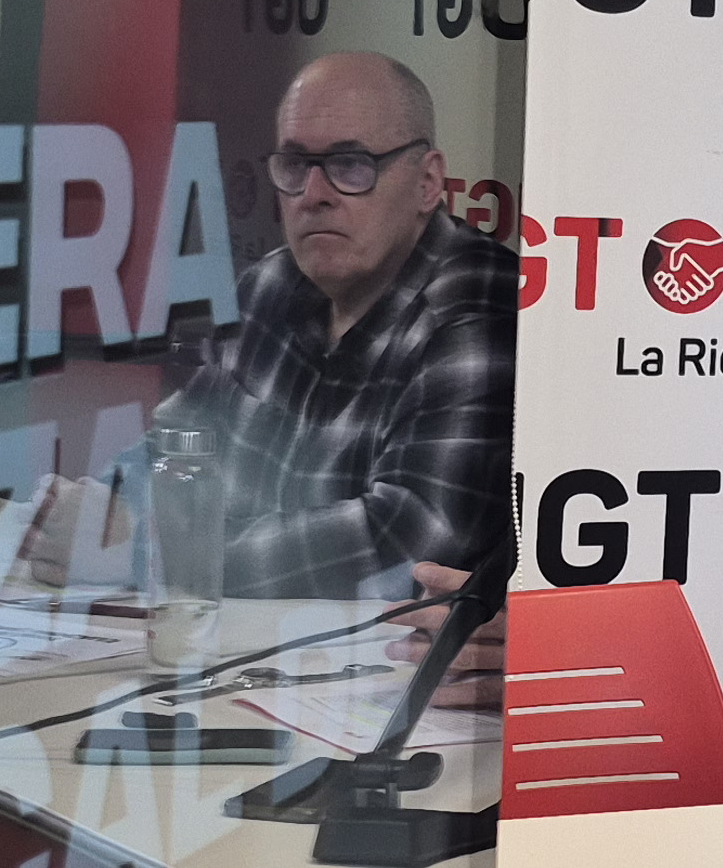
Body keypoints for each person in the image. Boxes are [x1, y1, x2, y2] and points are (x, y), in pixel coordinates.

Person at [203, 51, 514, 604]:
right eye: (294, 165)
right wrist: (89, 516)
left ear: (427, 182)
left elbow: (407, 544)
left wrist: (167, 551)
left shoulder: (477, 305)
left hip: (384, 657)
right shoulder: (267, 287)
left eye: (351, 165)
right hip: (240, 645)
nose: (313, 195)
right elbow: (176, 449)